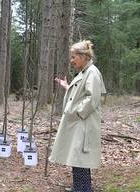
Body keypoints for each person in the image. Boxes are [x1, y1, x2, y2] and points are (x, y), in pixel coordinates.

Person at [49, 40, 106, 192]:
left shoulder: (92, 73)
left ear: (83, 56)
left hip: (84, 123)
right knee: (78, 157)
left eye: (74, 57)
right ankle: (80, 187)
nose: (72, 60)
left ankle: (83, 189)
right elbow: (81, 93)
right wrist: (67, 87)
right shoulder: (85, 72)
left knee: (80, 157)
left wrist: (76, 112)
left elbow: (93, 98)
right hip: (81, 123)